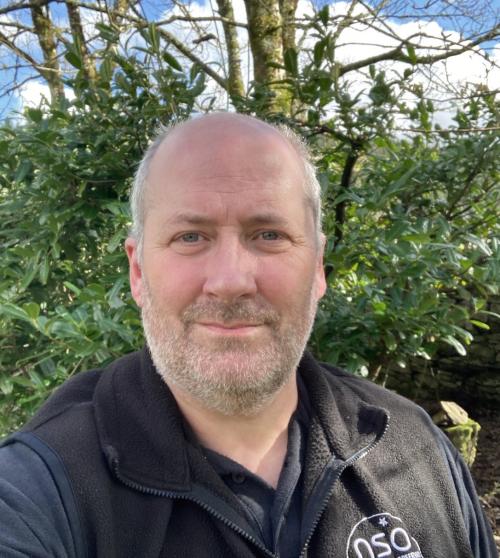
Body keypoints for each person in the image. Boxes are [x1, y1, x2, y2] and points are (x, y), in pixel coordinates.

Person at [0, 113, 496, 558]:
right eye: (190, 237)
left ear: (318, 266)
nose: (232, 280)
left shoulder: (415, 448)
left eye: (269, 235)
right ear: (137, 271)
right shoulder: (39, 489)